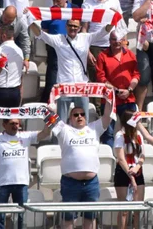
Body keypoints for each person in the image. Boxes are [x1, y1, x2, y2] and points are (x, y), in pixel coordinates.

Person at [52, 96, 114, 229]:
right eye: (75, 115)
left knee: (90, 217)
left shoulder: (94, 128)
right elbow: (50, 119)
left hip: (91, 183)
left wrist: (109, 97)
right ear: (70, 119)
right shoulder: (64, 129)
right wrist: (52, 103)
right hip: (70, 183)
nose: (79, 116)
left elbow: (108, 116)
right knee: (68, 217)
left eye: (82, 114)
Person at [0, 117, 51, 229]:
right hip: (2, 183)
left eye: (17, 123)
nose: (15, 126)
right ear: (4, 124)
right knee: (0, 216)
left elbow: (45, 133)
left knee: (21, 217)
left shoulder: (26, 135)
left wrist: (49, 117)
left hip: (21, 183)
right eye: (12, 123)